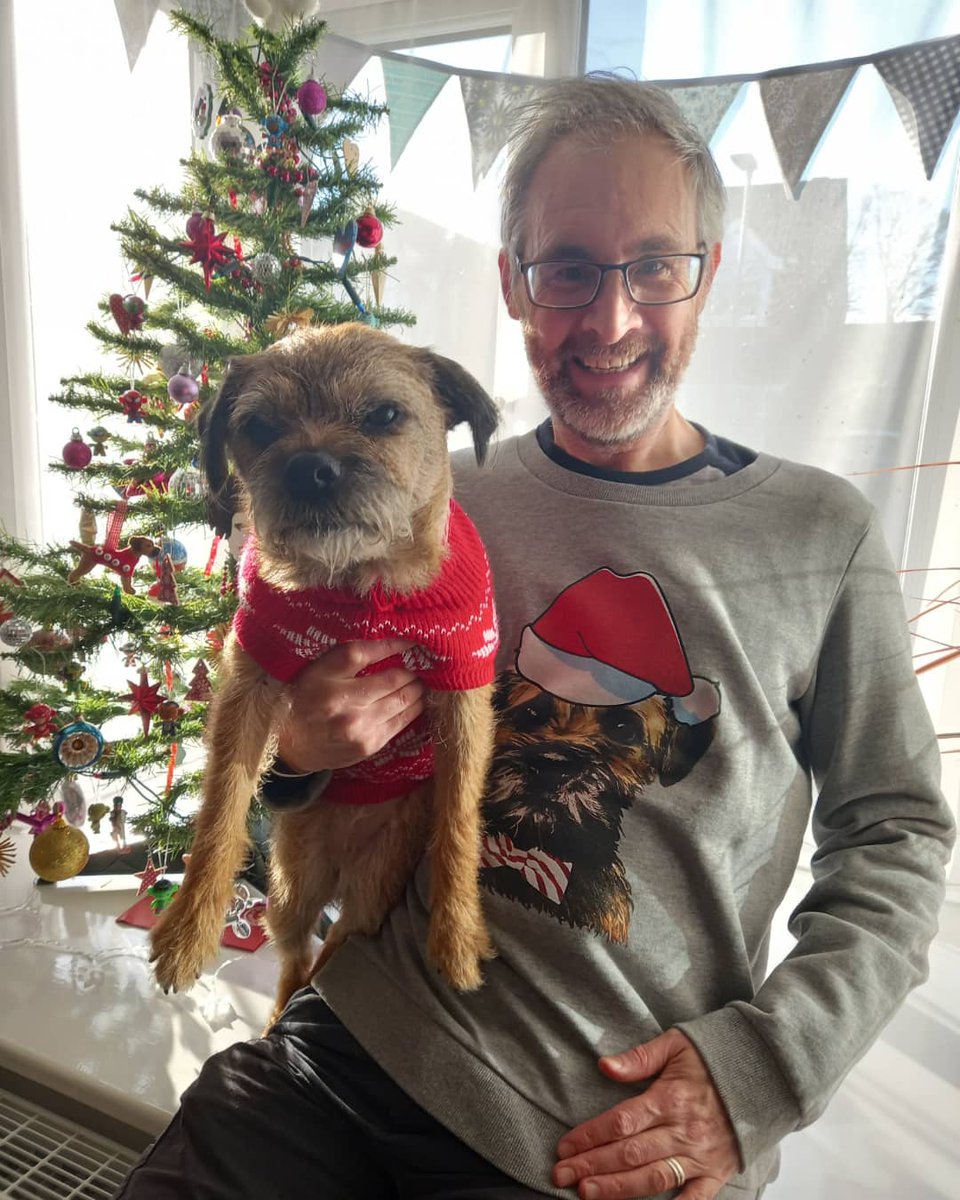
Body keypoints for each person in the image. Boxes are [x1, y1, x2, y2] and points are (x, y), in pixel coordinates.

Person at [117, 78, 954, 1200]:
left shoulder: (818, 531)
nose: (609, 322)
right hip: (346, 1045)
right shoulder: (420, 500)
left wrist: (764, 1067)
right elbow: (294, 730)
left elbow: (895, 831)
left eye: (653, 265)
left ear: (707, 272)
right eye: (566, 269)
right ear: (514, 284)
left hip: (597, 1134)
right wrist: (300, 765)